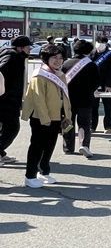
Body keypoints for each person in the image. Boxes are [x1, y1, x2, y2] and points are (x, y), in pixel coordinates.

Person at [21, 44, 72, 188]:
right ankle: (30, 176)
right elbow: (38, 99)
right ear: (46, 59)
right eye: (54, 57)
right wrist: (45, 119)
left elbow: (64, 97)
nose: (58, 60)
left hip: (56, 117)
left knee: (49, 146)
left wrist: (67, 114)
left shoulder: (60, 74)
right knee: (37, 146)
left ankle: (43, 172)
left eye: (61, 58)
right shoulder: (39, 75)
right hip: (41, 118)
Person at [62, 40, 99, 158]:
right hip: (85, 99)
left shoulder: (66, 64)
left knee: (68, 122)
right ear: (88, 51)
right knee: (84, 123)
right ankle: (84, 145)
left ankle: (68, 147)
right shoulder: (91, 64)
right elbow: (96, 82)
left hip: (68, 99)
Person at [0, 35, 32, 165]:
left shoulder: (11, 54)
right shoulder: (12, 56)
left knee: (5, 128)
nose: (30, 50)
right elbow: (1, 71)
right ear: (20, 48)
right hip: (6, 100)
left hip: (8, 99)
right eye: (28, 47)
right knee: (13, 128)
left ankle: (1, 153)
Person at [91, 36, 111, 133]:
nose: (100, 44)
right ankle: (92, 126)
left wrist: (109, 85)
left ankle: (108, 126)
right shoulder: (92, 54)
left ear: (106, 44)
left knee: (108, 106)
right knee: (93, 106)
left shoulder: (110, 55)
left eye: (102, 42)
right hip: (94, 85)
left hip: (106, 84)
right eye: (98, 42)